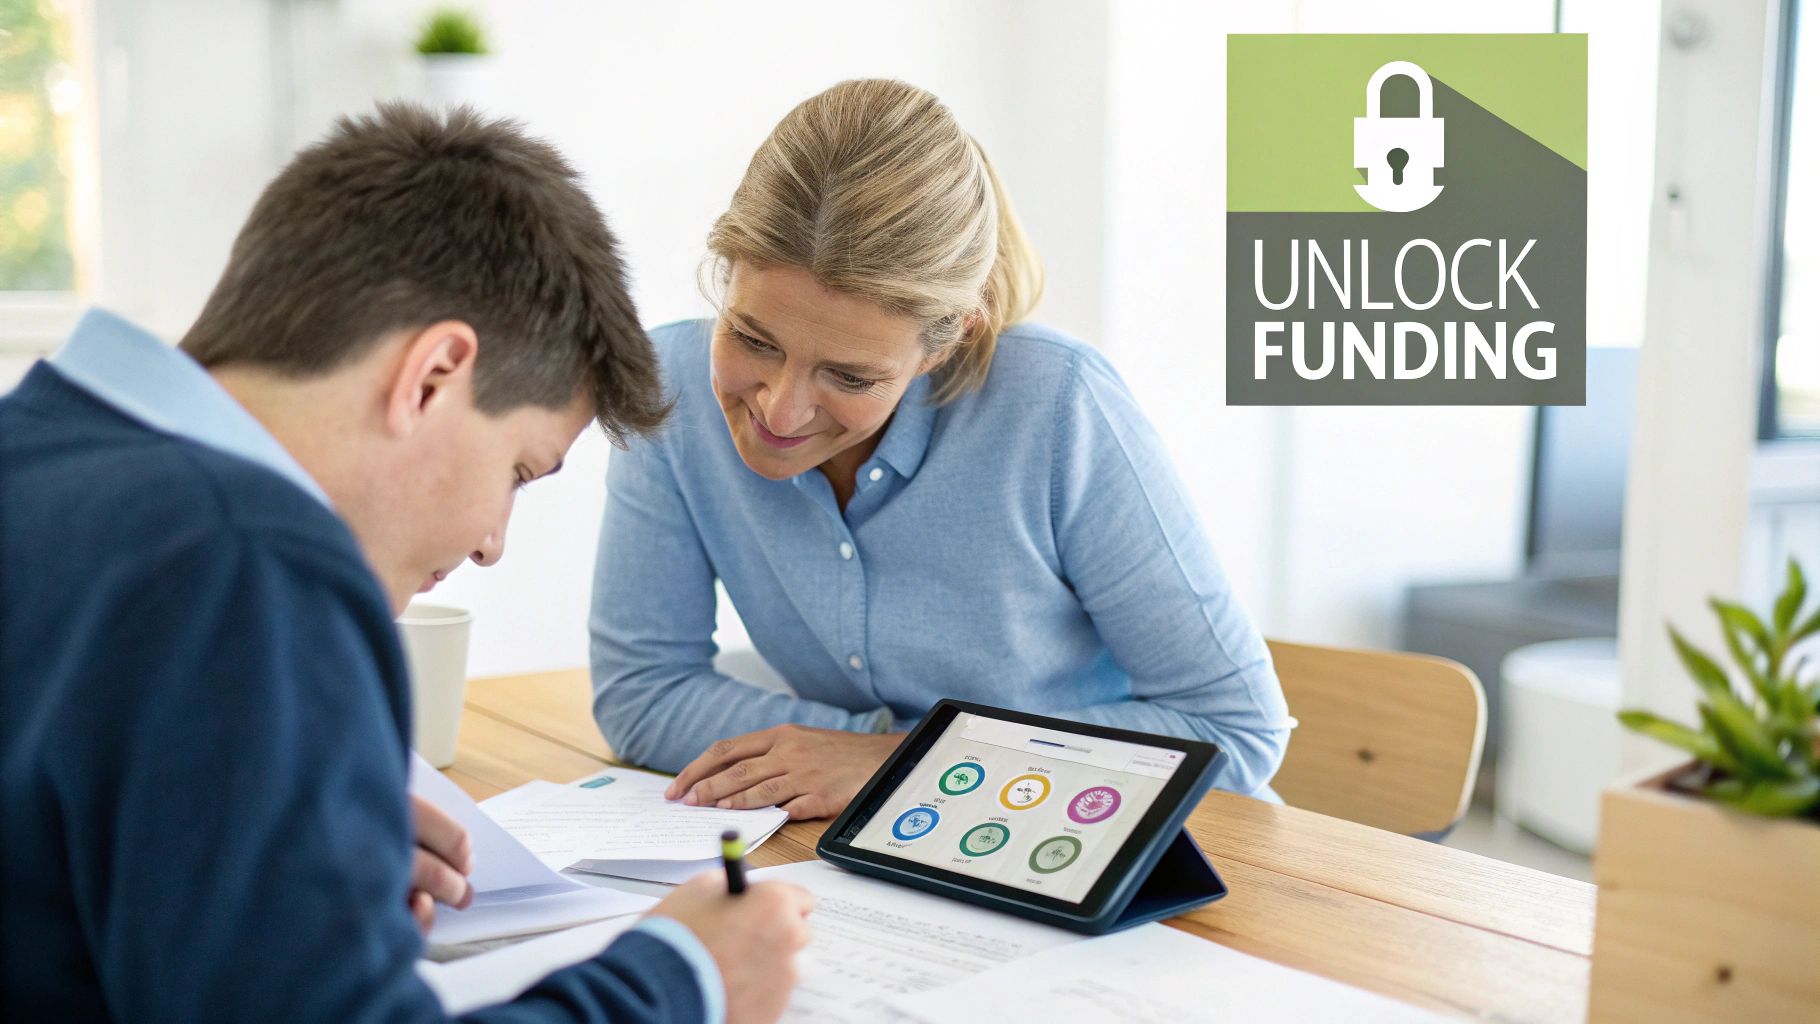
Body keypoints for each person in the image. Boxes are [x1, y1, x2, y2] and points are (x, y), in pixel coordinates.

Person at [0, 103, 811, 1023]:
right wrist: (680, 979)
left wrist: (272, 832)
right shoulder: (253, 567)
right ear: (432, 376)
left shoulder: (35, 452)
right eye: (517, 471)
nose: (491, 543)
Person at [590, 79, 1294, 821]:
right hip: (880, 856)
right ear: (725, 277)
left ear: (949, 340)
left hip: (1120, 850)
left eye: (851, 375)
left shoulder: (1056, 406)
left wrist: (901, 762)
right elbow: (643, 691)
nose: (779, 407)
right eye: (753, 340)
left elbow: (1232, 732)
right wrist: (869, 756)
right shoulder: (671, 389)